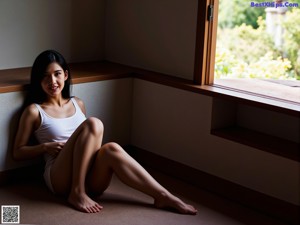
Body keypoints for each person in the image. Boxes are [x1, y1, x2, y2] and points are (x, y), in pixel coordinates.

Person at [13, 50, 197, 214]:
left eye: (57, 74)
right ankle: (77, 192)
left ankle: (163, 195)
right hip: (59, 177)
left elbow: (87, 142)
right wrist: (45, 147)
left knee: (111, 148)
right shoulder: (34, 111)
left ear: (66, 75)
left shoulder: (78, 103)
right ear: (39, 80)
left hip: (89, 176)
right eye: (45, 76)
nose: (52, 81)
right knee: (94, 123)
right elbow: (18, 152)